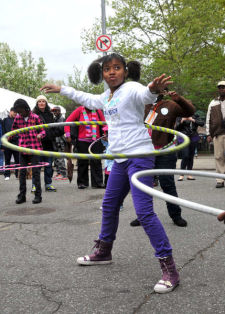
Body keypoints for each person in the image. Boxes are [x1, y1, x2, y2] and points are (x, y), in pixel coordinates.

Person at [41, 53, 179, 294]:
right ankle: (104, 251)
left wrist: (154, 89)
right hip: (119, 160)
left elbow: (146, 94)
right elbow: (87, 98)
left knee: (144, 213)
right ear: (101, 73)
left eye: (117, 68)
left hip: (139, 157)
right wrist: (62, 89)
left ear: (125, 70)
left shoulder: (134, 88)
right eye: (107, 69)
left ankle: (170, 269)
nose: (112, 72)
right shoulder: (107, 96)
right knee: (109, 205)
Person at [130, 90, 195, 228]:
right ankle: (143, 215)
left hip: (165, 150)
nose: (156, 91)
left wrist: (179, 99)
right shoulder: (142, 105)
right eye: (153, 89)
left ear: (163, 92)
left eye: (159, 89)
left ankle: (176, 215)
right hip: (145, 151)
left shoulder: (170, 105)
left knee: (167, 183)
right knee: (144, 185)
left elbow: (189, 112)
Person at [11, 99, 45, 204]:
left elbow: (43, 130)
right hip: (23, 148)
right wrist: (6, 138)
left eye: (20, 110)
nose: (19, 113)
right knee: (22, 174)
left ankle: (38, 196)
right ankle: (22, 196)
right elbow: (13, 131)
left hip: (34, 148)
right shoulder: (17, 118)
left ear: (26, 108)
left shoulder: (35, 117)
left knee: (35, 173)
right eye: (17, 111)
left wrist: (40, 135)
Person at [64, 105, 105, 189]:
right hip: (82, 140)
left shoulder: (98, 111)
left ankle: (98, 182)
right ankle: (82, 183)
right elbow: (67, 122)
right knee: (82, 162)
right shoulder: (79, 110)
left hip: (95, 140)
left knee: (96, 162)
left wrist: (105, 133)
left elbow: (104, 123)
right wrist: (68, 135)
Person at [32, 95, 58, 192]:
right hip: (37, 144)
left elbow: (54, 128)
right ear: (37, 103)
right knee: (37, 166)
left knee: (48, 166)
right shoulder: (33, 114)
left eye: (43, 101)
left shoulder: (50, 114)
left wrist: (52, 135)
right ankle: (35, 185)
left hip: (49, 144)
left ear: (46, 103)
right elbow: (31, 129)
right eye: (40, 101)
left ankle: (48, 184)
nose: (42, 103)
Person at [206, 81, 225, 188]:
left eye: (223, 87)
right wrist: (208, 133)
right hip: (218, 133)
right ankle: (220, 179)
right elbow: (208, 119)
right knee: (218, 156)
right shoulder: (213, 102)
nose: (222, 89)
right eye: (220, 87)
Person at [176, 114, 204, 181]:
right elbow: (176, 128)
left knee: (191, 157)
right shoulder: (179, 116)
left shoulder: (195, 116)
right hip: (183, 137)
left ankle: (189, 174)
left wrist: (192, 119)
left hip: (193, 137)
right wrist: (182, 120)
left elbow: (202, 123)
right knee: (185, 155)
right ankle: (181, 174)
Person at [2, 107, 20, 180]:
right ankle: (7, 175)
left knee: (17, 159)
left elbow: (19, 131)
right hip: (7, 143)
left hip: (16, 143)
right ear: (10, 112)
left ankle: (17, 174)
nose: (15, 113)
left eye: (16, 112)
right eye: (14, 112)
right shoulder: (5, 120)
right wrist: (2, 144)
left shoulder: (18, 120)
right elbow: (3, 132)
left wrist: (16, 137)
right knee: (7, 160)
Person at [51, 106, 67, 180]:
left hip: (60, 140)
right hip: (55, 139)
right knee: (56, 158)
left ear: (59, 111)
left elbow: (61, 130)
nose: (55, 112)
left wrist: (53, 131)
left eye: (56, 111)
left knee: (60, 157)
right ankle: (59, 173)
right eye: (54, 111)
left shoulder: (62, 119)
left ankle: (63, 174)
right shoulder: (55, 118)